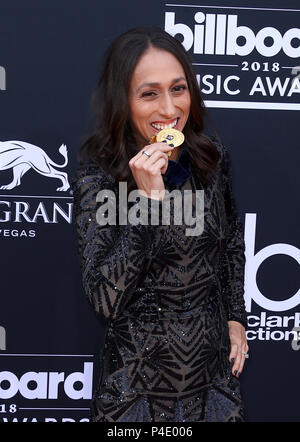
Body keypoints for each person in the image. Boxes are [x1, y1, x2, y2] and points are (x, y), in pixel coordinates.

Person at [71, 26, 249, 422]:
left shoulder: (210, 159)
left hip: (215, 387)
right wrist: (149, 203)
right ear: (123, 100)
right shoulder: (98, 178)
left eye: (178, 89)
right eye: (149, 93)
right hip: (136, 394)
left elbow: (232, 243)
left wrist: (236, 317)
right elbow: (104, 299)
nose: (169, 110)